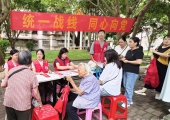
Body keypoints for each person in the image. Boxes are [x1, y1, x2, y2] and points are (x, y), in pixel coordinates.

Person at [1, 50, 42, 120]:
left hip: (9, 102)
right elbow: (36, 92)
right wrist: (40, 103)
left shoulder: (11, 70)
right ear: (30, 61)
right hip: (22, 105)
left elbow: (3, 85)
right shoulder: (31, 74)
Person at [135, 35, 170, 99]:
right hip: (154, 65)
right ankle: (143, 90)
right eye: (165, 39)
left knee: (161, 79)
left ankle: (158, 93)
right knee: (150, 76)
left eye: (168, 39)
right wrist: (151, 60)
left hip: (163, 66)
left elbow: (166, 55)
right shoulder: (159, 47)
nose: (166, 40)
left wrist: (154, 51)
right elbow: (153, 55)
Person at [122, 37, 144, 107]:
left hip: (133, 72)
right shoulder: (129, 51)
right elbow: (126, 58)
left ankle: (127, 102)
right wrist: (123, 58)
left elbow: (139, 61)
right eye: (129, 42)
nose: (129, 43)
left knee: (129, 87)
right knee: (125, 85)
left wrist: (128, 61)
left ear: (136, 43)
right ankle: (128, 99)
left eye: (131, 42)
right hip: (126, 70)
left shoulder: (139, 52)